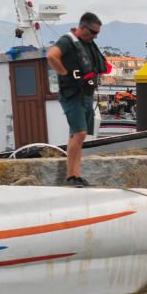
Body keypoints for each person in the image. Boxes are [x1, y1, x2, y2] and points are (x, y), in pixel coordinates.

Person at [46, 12, 109, 187]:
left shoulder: (87, 43)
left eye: (97, 33)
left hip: (86, 95)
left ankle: (76, 175)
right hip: (72, 95)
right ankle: (71, 177)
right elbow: (51, 56)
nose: (95, 36)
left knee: (77, 135)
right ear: (82, 27)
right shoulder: (68, 40)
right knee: (80, 132)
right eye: (93, 32)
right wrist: (65, 73)